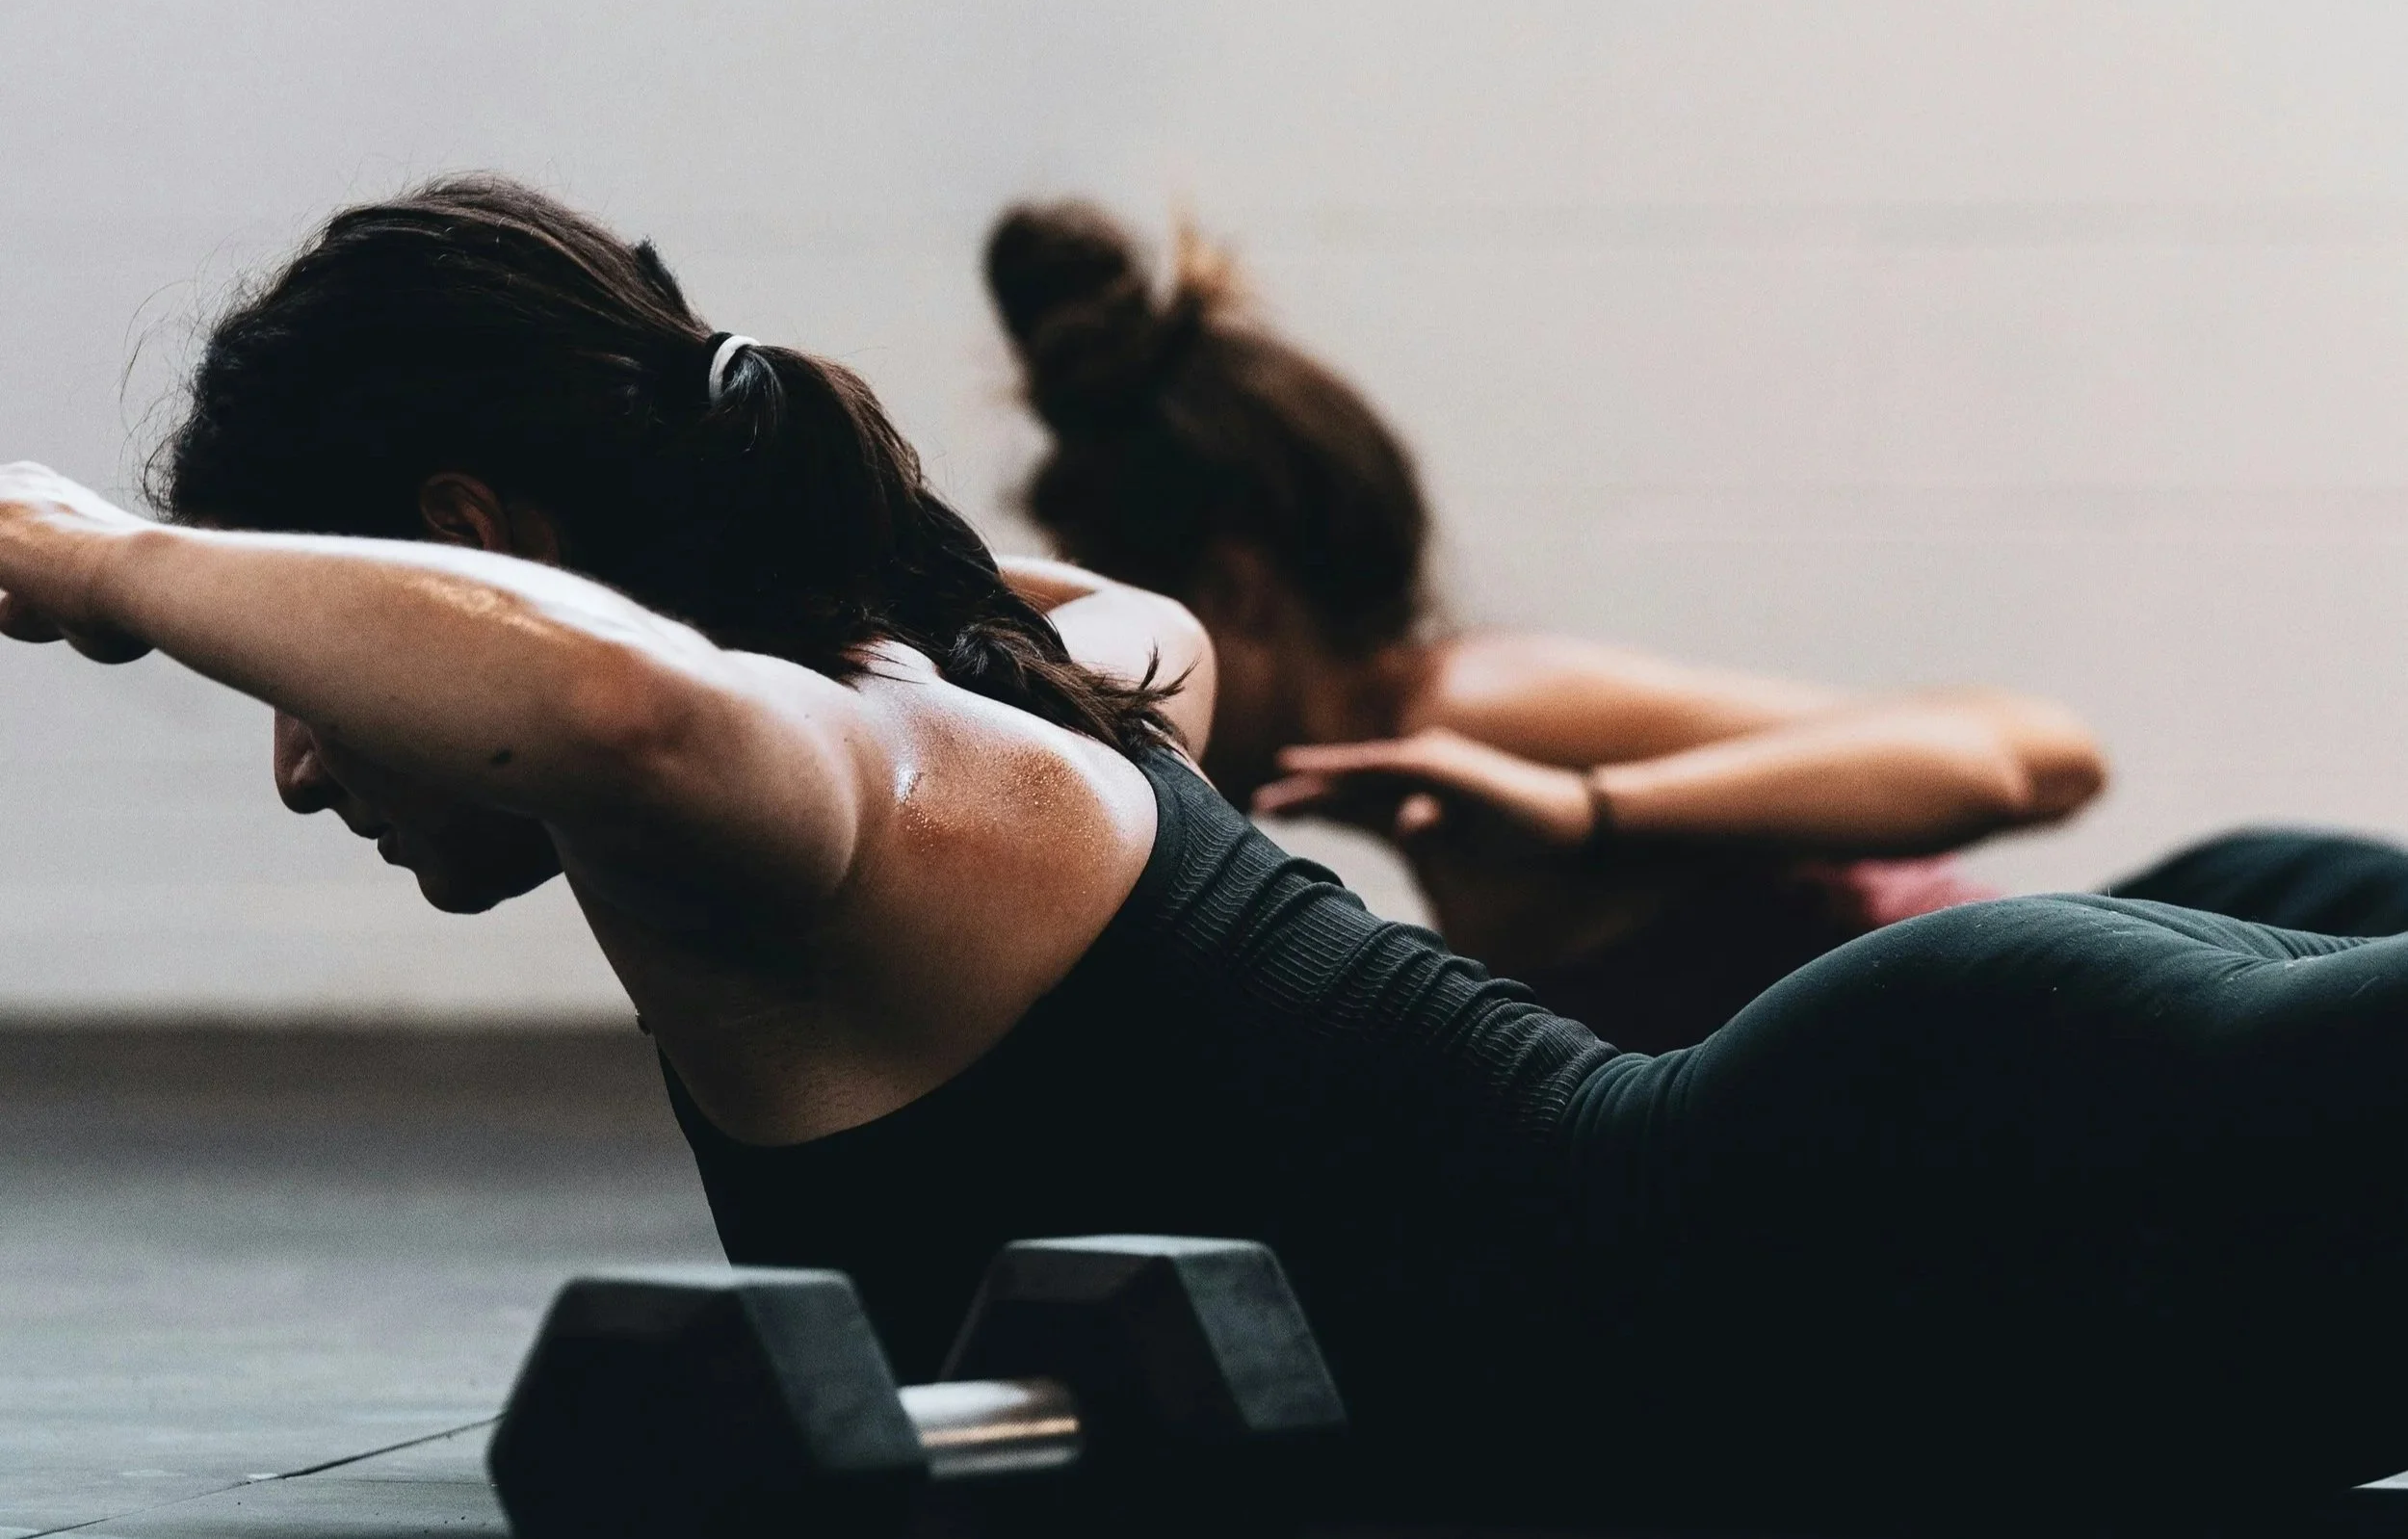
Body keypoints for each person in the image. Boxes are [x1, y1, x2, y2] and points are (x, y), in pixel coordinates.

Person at [11, 175, 2408, 1524]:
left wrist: (104, 561)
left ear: (463, 540)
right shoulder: (1037, 669)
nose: (306, 762)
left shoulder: (816, 782)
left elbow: (607, 692)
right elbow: (695, 642)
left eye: (307, 669)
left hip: (1901, 1220)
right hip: (1916, 1243)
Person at [984, 199, 2408, 1051]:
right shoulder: (1433, 782)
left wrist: (1594, 812)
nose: (1101, 688)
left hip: (2224, 971)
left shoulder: (1480, 711)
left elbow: (2030, 757)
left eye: (1117, 631)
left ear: (1235, 592)